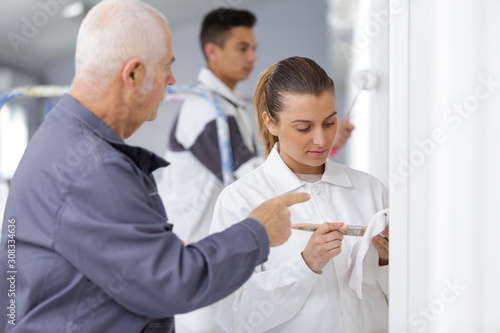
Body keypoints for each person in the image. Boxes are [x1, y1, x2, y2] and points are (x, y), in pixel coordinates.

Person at [0, 2, 310, 332]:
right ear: (133, 74)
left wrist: (150, 249)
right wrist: (257, 231)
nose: (173, 80)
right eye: (166, 67)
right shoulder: (92, 168)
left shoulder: (63, 140)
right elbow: (174, 281)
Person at [209, 56, 389, 332]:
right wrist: (306, 266)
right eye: (304, 128)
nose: (321, 140)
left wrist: (387, 263)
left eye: (329, 123)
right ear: (270, 123)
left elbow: (412, 296)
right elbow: (234, 316)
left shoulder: (371, 191)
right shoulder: (241, 202)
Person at [158, 8, 262, 245]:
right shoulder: (204, 108)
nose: (252, 57)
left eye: (254, 49)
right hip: (189, 247)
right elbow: (251, 175)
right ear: (212, 51)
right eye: (242, 48)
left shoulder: (226, 103)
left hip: (207, 248)